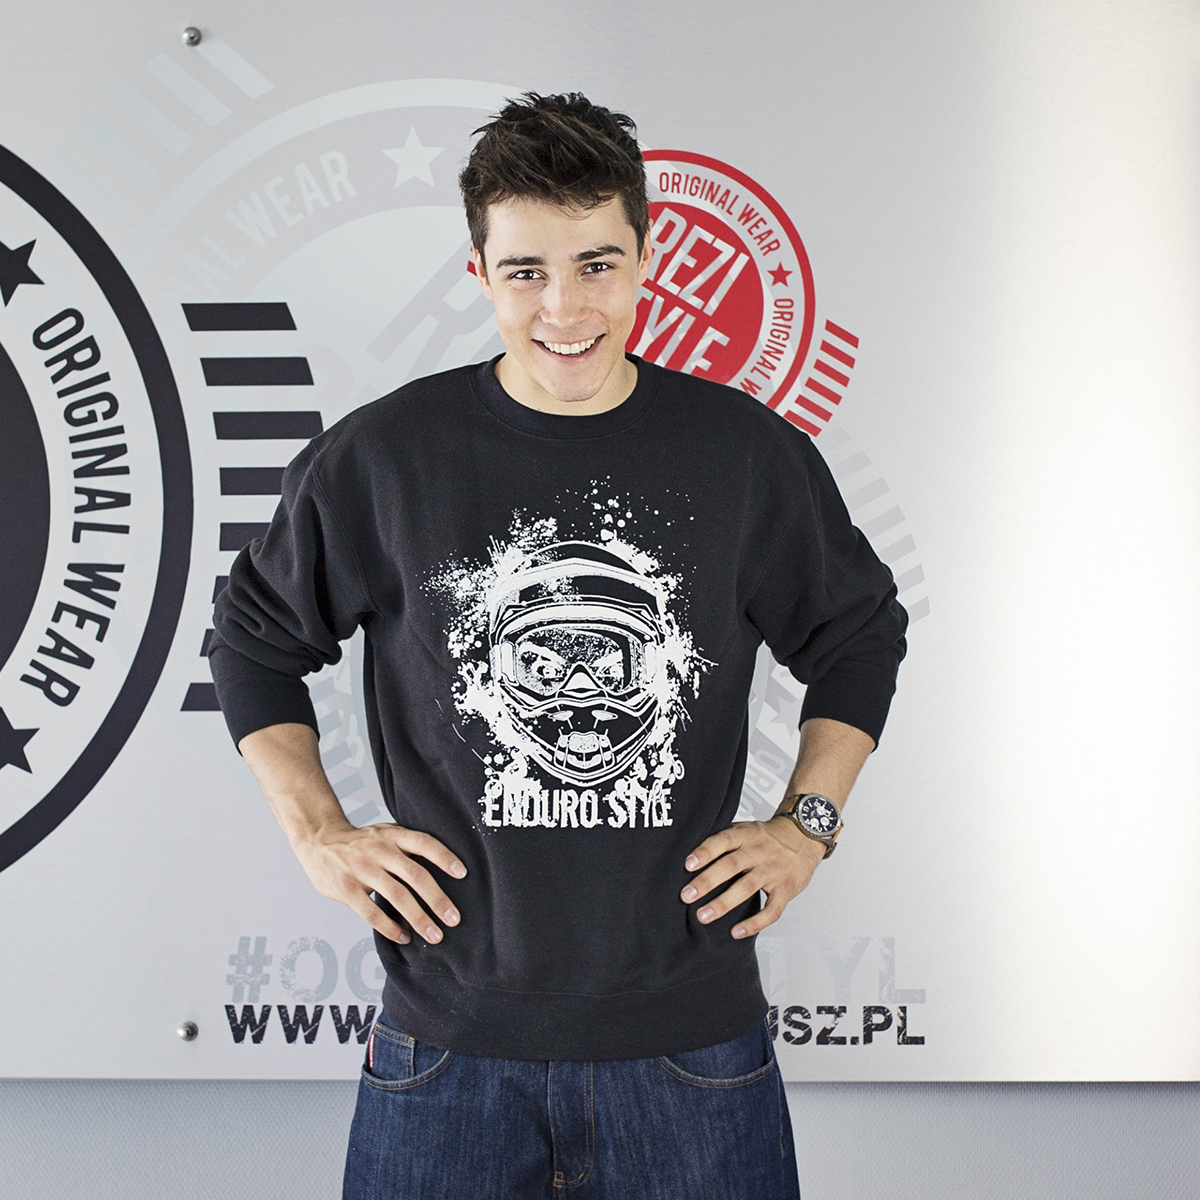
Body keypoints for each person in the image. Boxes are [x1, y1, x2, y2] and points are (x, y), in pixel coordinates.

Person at [209, 91, 907, 1200]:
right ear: (479, 273)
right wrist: (319, 833)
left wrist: (806, 826)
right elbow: (252, 638)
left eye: (596, 265)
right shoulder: (387, 458)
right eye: (527, 270)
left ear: (645, 262)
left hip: (691, 1041)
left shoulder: (742, 455)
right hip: (447, 1044)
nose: (565, 306)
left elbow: (859, 631)